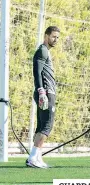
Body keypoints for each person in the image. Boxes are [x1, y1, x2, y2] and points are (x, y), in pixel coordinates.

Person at [26, 26, 60, 168]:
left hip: (47, 92)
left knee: (42, 126)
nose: (55, 40)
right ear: (46, 36)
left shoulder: (46, 51)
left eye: (57, 37)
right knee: (46, 126)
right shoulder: (42, 51)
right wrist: (41, 92)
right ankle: (33, 158)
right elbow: (37, 72)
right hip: (45, 92)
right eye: (53, 36)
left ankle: (37, 157)